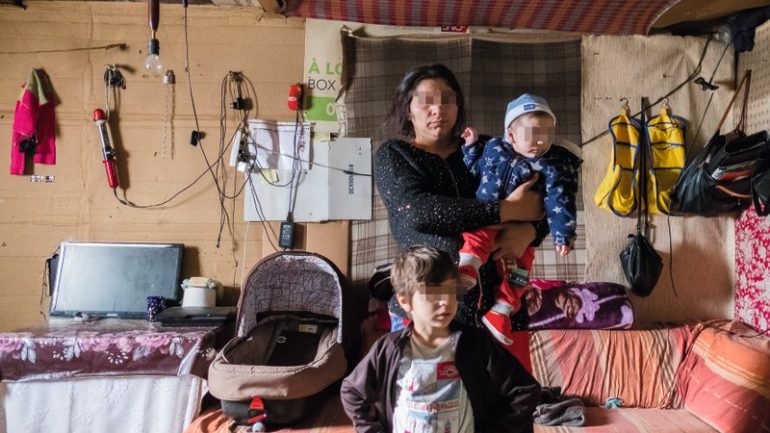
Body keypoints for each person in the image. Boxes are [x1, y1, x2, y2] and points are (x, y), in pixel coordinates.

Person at [374, 64, 548, 340]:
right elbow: (420, 211)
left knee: (502, 384)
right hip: (425, 310)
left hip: (497, 309)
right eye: (426, 102)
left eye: (447, 99)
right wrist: (507, 210)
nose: (438, 109)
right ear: (409, 109)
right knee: (427, 383)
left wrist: (530, 231)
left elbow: (543, 201)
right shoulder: (394, 155)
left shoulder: (490, 150)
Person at [341, 246, 542, 433]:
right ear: (405, 301)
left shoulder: (476, 343)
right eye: (433, 293)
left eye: (450, 290)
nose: (445, 301)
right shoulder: (389, 348)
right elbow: (352, 392)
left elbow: (525, 389)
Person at [457, 93, 582, 346]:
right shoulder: (492, 148)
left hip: (521, 232)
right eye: (531, 134)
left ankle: (503, 308)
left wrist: (562, 235)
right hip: (486, 216)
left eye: (546, 135)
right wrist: (470, 147)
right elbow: (474, 170)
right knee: (477, 235)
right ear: (511, 136)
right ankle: (467, 268)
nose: (539, 142)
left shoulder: (551, 166)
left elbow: (560, 201)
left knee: (522, 267)